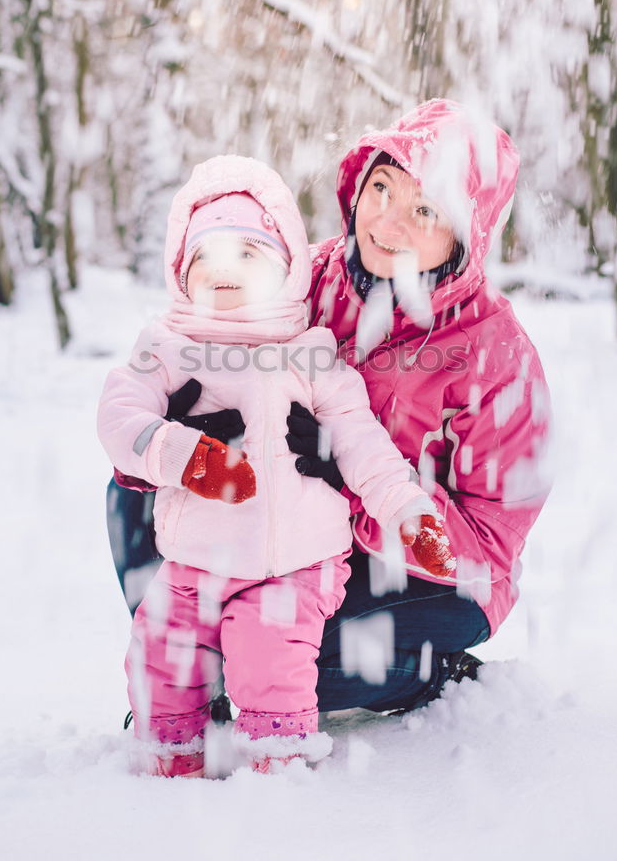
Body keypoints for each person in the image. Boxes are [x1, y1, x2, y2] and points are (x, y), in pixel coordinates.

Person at [105, 98, 552, 721]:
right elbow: (195, 335)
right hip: (284, 522)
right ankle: (185, 666)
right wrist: (177, 431)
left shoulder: (495, 359)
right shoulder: (306, 277)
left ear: (465, 232)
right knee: (131, 495)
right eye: (382, 190)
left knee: (299, 657)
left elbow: (489, 545)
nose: (387, 223)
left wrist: (357, 489)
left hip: (427, 573)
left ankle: (424, 677)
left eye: (424, 210)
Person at [97, 154, 450, 777]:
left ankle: (276, 768)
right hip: (192, 561)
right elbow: (120, 417)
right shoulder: (167, 349)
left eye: (247, 255)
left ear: (287, 271)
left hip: (294, 564)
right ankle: (167, 763)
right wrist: (176, 452)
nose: (222, 273)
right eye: (203, 257)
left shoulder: (311, 358)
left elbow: (364, 446)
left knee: (268, 657)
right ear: (181, 273)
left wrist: (407, 510)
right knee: (161, 654)